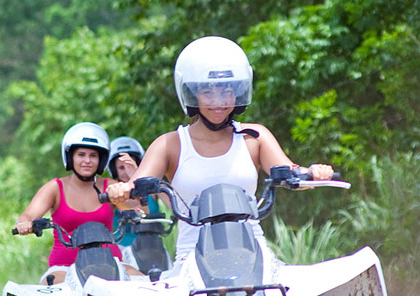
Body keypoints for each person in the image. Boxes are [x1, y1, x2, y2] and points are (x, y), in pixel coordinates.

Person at [105, 36, 333, 262]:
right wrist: (120, 194)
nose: (219, 101)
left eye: (227, 91)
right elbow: (135, 192)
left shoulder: (255, 137)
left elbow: (291, 172)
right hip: (192, 260)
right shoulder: (169, 144)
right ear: (193, 95)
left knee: (312, 295)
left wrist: (314, 172)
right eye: (208, 92)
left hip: (254, 253)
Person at [14, 122, 123, 284]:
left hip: (112, 266)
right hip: (64, 268)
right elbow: (28, 215)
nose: (87, 160)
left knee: (143, 284)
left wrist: (133, 176)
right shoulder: (56, 188)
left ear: (101, 160)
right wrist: (24, 224)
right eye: (81, 154)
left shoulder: (111, 187)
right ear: (70, 157)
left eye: (93, 155)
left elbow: (140, 210)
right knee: (47, 291)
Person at [106, 136, 164, 248]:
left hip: (153, 247)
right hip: (123, 250)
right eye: (121, 168)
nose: (126, 171)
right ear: (114, 170)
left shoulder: (153, 189)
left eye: (130, 166)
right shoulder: (114, 190)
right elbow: (137, 212)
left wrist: (137, 177)